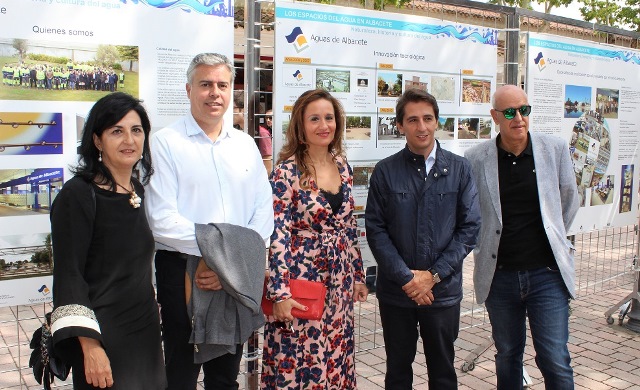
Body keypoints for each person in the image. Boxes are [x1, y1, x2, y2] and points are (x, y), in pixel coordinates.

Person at [145, 52, 273, 390]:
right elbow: (161, 220)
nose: (214, 92)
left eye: (222, 84)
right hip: (183, 272)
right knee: (180, 375)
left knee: (225, 377)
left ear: (231, 91)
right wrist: (219, 255)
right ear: (189, 90)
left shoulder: (245, 145)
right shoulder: (165, 143)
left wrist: (225, 260)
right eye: (205, 84)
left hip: (233, 273)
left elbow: (263, 211)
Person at [465, 84, 579, 390]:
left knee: (554, 357)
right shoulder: (476, 158)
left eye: (524, 110)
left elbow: (568, 200)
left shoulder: (553, 149)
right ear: (495, 116)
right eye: (510, 112)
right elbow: (471, 212)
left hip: (546, 275)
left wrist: (554, 236)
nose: (519, 118)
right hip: (500, 278)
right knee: (508, 355)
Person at [365, 88, 481, 389]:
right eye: (413, 120)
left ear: (437, 121)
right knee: (398, 372)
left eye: (428, 118)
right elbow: (376, 230)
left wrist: (433, 276)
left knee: (443, 373)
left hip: (442, 293)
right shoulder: (386, 171)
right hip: (397, 293)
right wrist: (408, 279)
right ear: (400, 125)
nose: (422, 127)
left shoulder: (459, 169)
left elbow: (469, 229)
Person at [49, 92, 166, 389]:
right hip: (104, 335)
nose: (129, 140)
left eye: (136, 130)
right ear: (98, 141)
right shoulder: (78, 195)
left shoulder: (135, 189)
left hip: (145, 332)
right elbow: (69, 276)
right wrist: (91, 348)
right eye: (117, 131)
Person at [261, 89, 368, 389]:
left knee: (336, 357)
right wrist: (279, 293)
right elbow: (278, 233)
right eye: (315, 118)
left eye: (329, 118)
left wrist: (358, 276)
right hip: (302, 283)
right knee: (299, 362)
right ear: (300, 125)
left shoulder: (343, 167)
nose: (324, 125)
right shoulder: (286, 172)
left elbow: (349, 225)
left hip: (340, 283)